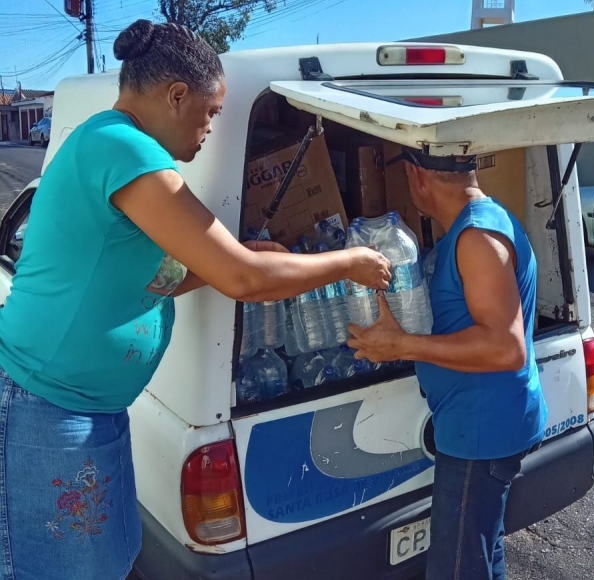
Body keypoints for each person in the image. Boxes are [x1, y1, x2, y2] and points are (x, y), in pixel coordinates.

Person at [0, 19, 390, 580]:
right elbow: (246, 280)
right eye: (209, 112)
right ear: (176, 95)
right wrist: (347, 263)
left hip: (84, 408)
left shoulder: (108, 140)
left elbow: (145, 278)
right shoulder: (123, 148)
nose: (210, 128)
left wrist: (223, 261)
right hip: (48, 410)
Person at [348, 148, 547, 580]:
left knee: (456, 567)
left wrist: (403, 345)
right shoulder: (478, 224)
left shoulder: (476, 238)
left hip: (482, 431)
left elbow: (505, 348)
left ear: (416, 176)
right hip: (484, 424)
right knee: (482, 550)